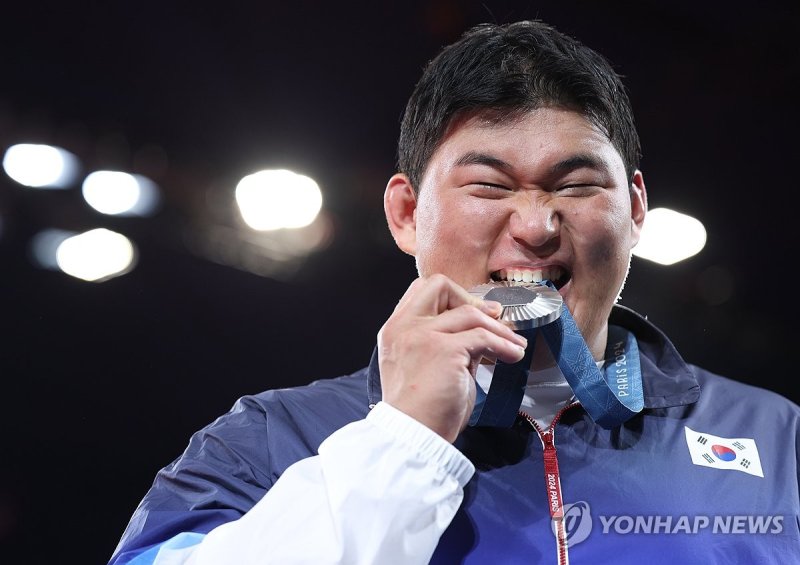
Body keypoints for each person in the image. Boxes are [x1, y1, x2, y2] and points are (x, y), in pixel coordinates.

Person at [108, 20, 800, 564]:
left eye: (577, 183)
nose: (535, 225)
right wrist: (403, 441)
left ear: (637, 210)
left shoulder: (776, 440)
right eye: (489, 186)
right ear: (406, 214)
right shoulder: (266, 442)